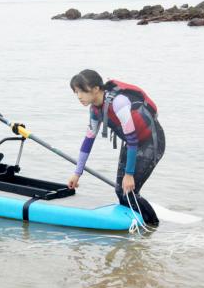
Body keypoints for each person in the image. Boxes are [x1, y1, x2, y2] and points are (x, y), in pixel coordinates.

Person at [67, 69, 165, 225]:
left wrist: (129, 174)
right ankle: (137, 228)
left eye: (82, 91)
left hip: (151, 142)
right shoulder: (95, 110)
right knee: (120, 191)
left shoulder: (118, 103)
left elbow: (132, 139)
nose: (79, 96)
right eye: (76, 92)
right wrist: (77, 173)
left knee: (129, 192)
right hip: (132, 144)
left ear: (96, 89)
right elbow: (88, 141)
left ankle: (152, 226)